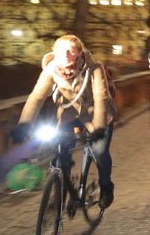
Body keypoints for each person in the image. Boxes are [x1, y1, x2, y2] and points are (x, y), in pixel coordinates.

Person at [14, 35, 116, 208]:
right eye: (62, 51)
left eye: (71, 50)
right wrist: (24, 125)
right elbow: (37, 97)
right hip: (70, 115)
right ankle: (60, 192)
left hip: (97, 114)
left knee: (99, 151)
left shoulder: (94, 68)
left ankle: (106, 187)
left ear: (78, 53)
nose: (66, 54)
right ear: (55, 52)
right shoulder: (51, 70)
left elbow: (102, 97)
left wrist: (98, 127)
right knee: (60, 152)